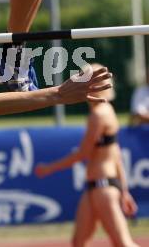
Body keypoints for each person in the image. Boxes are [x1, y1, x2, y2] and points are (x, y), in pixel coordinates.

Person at [35, 64, 139, 247]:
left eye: (83, 80)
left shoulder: (98, 115)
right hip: (96, 187)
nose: (78, 85)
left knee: (122, 243)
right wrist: (124, 191)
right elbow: (115, 154)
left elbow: (83, 153)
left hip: (103, 187)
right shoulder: (106, 110)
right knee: (79, 242)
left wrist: (49, 168)